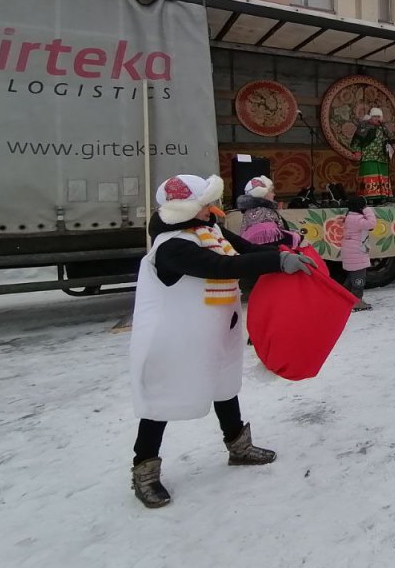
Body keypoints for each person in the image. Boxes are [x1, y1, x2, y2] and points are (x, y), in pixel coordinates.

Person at [129, 174, 317, 508]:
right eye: (206, 205)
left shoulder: (209, 229)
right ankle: (144, 470)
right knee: (163, 399)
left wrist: (285, 249)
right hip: (174, 340)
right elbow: (220, 266)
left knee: (224, 386)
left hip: (214, 331)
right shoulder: (172, 246)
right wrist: (276, 261)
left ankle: (238, 446)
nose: (214, 211)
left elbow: (244, 248)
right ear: (187, 209)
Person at [236, 176, 302, 247]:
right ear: (263, 193)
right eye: (271, 191)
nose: (274, 194)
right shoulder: (264, 211)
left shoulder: (251, 211)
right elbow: (273, 238)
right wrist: (295, 237)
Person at [350, 107, 395, 204]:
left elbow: (391, 139)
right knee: (370, 174)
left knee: (381, 175)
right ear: (370, 117)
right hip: (368, 155)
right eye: (375, 116)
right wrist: (357, 152)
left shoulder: (383, 128)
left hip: (381, 156)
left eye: (379, 116)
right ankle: (368, 196)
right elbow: (356, 141)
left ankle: (382, 195)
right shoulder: (364, 126)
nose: (377, 118)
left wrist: (391, 146)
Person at [341, 196, 377, 310]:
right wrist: (367, 209)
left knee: (352, 277)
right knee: (359, 279)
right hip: (357, 253)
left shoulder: (350, 217)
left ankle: (344, 298)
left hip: (351, 252)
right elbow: (372, 224)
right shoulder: (357, 220)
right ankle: (357, 301)